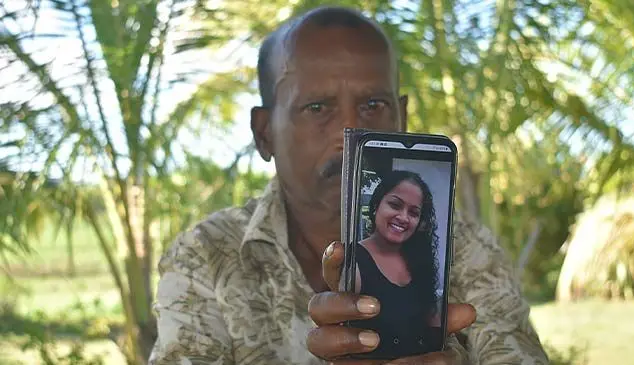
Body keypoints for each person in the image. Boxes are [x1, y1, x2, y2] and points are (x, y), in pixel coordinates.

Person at [148, 5, 550, 365]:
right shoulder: (205, 257)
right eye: (317, 107)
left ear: (402, 119)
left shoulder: (466, 250)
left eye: (373, 105)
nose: (349, 132)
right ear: (264, 133)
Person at [350, 170, 443, 359]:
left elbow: (433, 324)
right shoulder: (351, 260)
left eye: (414, 213)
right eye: (395, 205)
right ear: (376, 205)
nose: (403, 217)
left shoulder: (420, 261)